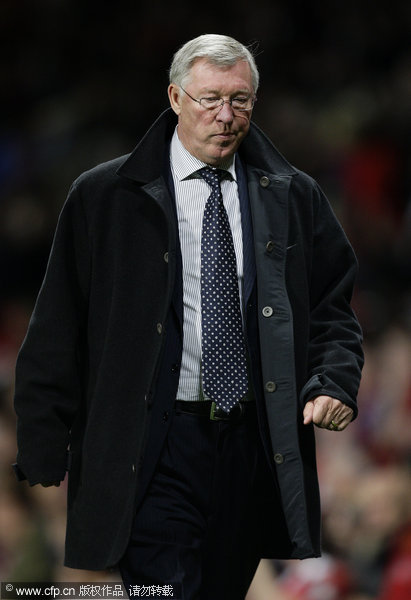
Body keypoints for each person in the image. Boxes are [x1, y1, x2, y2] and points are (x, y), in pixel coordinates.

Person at [13, 34, 363, 599]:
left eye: (241, 100)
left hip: (254, 445)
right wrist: (42, 441)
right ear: (175, 98)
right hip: (153, 445)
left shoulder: (294, 196)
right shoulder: (104, 197)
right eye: (209, 99)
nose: (226, 116)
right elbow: (58, 327)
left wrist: (334, 382)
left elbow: (333, 310)